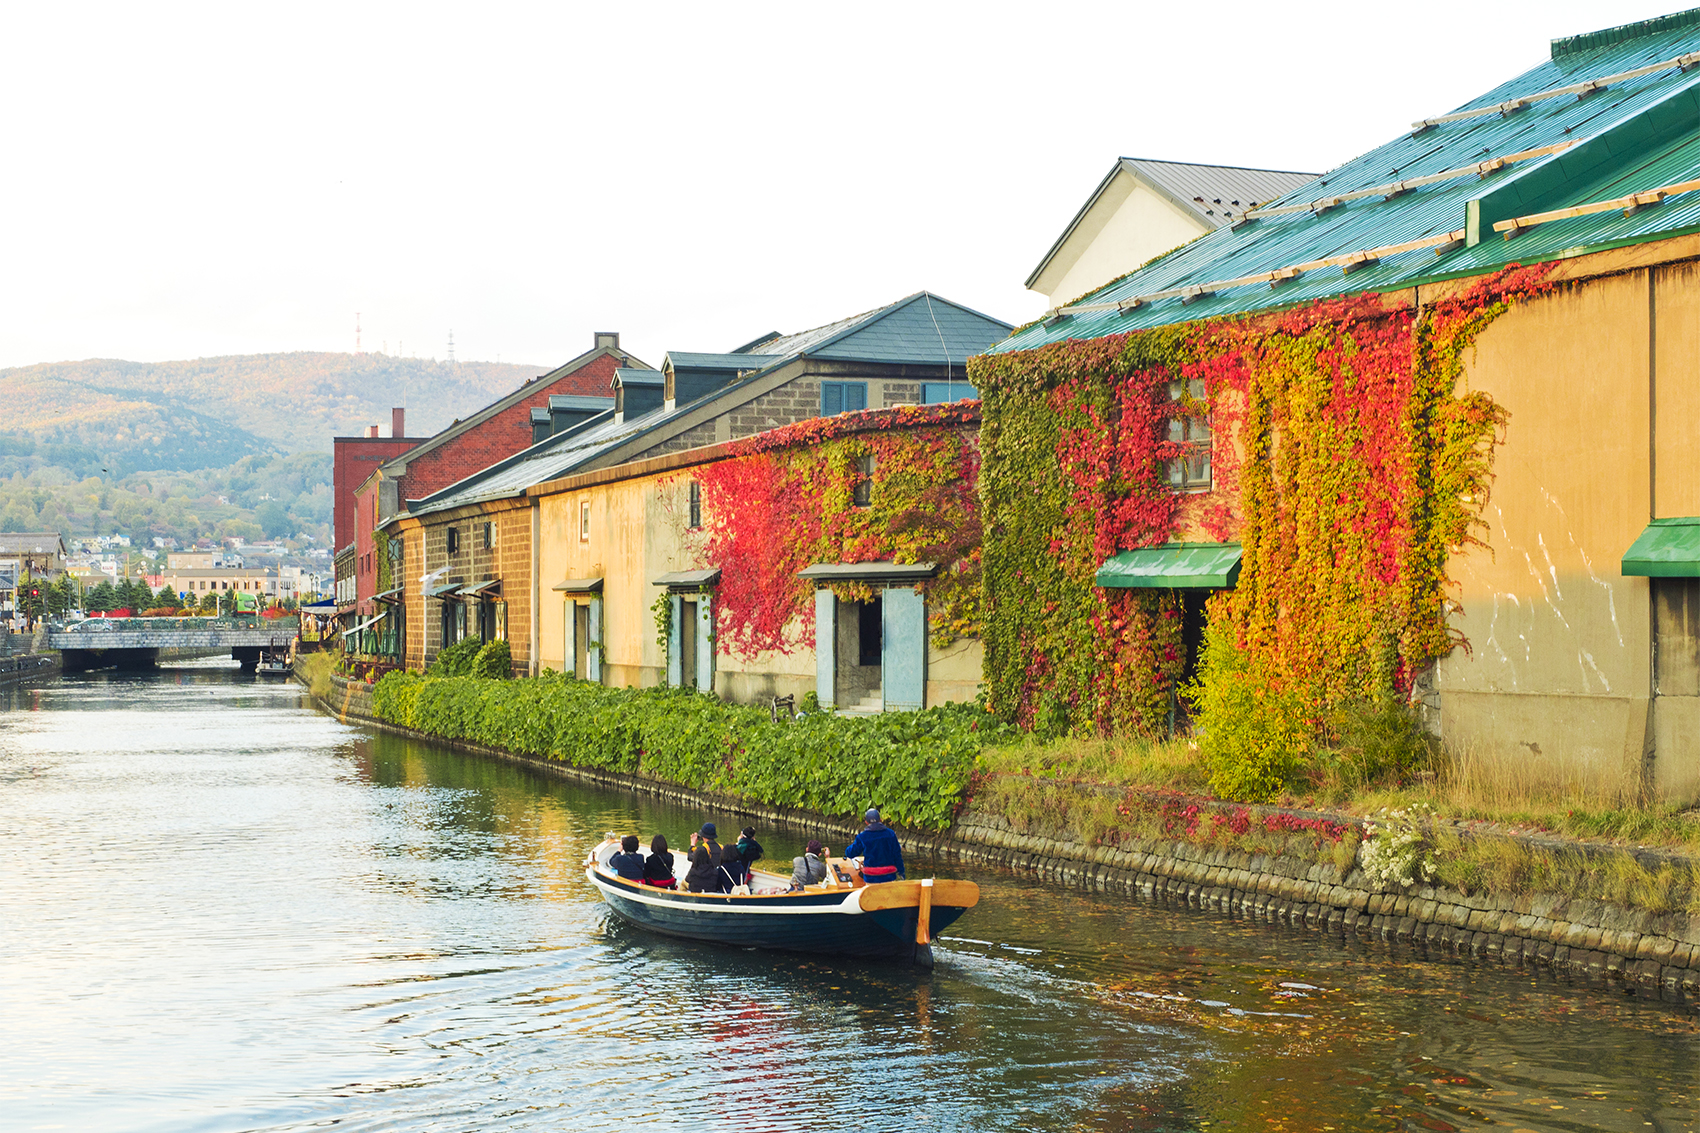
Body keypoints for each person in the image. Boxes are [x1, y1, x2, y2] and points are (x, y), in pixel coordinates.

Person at [844, 807, 904, 883]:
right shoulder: (891, 834)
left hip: (871, 877)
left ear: (866, 822)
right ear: (880, 820)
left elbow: (851, 853)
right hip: (889, 875)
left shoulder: (862, 836)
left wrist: (847, 850)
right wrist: (901, 872)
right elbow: (897, 855)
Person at [684, 822, 723, 893]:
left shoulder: (705, 848)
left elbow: (690, 857)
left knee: (684, 883)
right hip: (716, 879)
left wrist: (692, 844)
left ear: (703, 836)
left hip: (705, 878)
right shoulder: (721, 847)